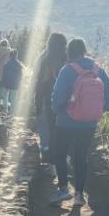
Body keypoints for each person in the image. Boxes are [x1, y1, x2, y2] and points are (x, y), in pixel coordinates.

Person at [50, 37, 109, 207]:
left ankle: (63, 189)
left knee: (60, 154)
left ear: (69, 52)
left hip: (66, 122)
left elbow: (58, 96)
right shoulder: (97, 69)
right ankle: (79, 195)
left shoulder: (67, 70)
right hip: (89, 123)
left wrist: (57, 110)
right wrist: (100, 109)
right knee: (81, 157)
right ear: (84, 51)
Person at [33, 32, 68, 167]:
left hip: (49, 98)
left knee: (51, 128)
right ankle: (62, 158)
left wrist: (37, 102)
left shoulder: (45, 58)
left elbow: (39, 82)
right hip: (68, 100)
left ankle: (50, 158)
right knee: (63, 130)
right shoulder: (68, 58)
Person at [1, 49, 24, 114]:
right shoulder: (19, 65)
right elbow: (20, 75)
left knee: (5, 96)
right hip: (15, 84)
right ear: (16, 55)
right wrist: (19, 82)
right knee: (13, 98)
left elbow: (4, 75)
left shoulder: (6, 64)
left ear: (10, 55)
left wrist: (3, 82)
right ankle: (12, 111)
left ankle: (5, 109)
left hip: (6, 83)